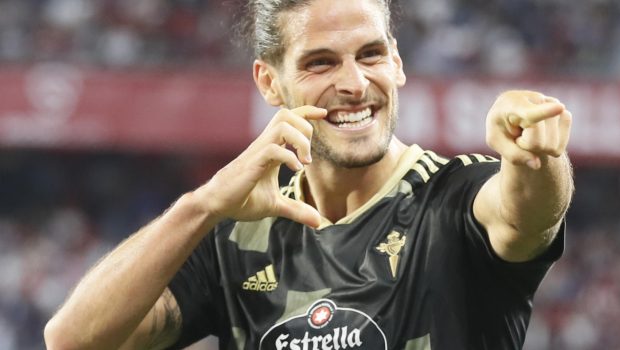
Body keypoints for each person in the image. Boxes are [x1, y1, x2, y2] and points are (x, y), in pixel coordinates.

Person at [44, 0, 573, 348]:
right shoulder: (232, 236)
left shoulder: (454, 198)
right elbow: (72, 340)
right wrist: (200, 205)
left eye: (371, 55)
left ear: (398, 63)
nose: (354, 83)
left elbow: (527, 213)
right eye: (320, 63)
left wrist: (535, 156)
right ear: (270, 83)